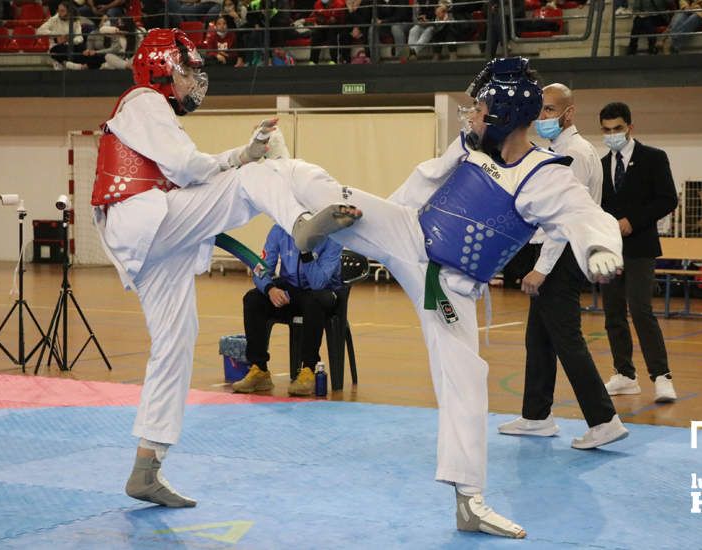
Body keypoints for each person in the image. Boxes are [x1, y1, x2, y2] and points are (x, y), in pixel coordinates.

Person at [282, 57, 625, 538]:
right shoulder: (468, 146)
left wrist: (601, 249)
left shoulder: (542, 173)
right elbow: (421, 182)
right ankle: (297, 213)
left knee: (465, 382)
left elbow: (583, 213)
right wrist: (369, 225)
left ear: (504, 114)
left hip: (451, 286)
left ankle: (469, 501)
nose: (473, 115)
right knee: (318, 185)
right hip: (409, 234)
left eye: (481, 107)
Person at [91, 28, 361, 508]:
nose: (194, 79)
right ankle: (298, 224)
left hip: (150, 236)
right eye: (186, 70)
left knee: (174, 344)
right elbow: (187, 168)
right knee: (253, 180)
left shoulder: (148, 113)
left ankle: (146, 467)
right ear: (159, 69)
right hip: (146, 218)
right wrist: (245, 159)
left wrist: (242, 155)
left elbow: (188, 172)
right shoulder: (142, 101)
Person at [498, 83, 625, 449]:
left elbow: (564, 220)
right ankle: (536, 416)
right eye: (540, 111)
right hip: (551, 254)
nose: (543, 118)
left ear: (569, 113)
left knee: (567, 339)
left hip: (564, 254)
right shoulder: (553, 150)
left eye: (550, 111)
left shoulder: (576, 154)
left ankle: (604, 419)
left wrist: (543, 267)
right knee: (538, 339)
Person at [598, 101, 678, 403]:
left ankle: (661, 376)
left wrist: (634, 221)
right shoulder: (601, 165)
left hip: (640, 247)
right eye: (606, 130)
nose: (612, 134)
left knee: (641, 310)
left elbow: (668, 199)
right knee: (612, 313)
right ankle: (624, 374)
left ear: (630, 127)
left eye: (617, 128)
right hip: (608, 250)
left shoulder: (654, 159)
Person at [233, 225, 343, 396]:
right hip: (291, 289)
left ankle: (308, 369)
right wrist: (270, 289)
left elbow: (318, 283)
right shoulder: (279, 230)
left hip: (322, 294)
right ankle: (260, 370)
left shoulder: (333, 237)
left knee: (314, 301)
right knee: (253, 299)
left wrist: (305, 249)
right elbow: (260, 268)